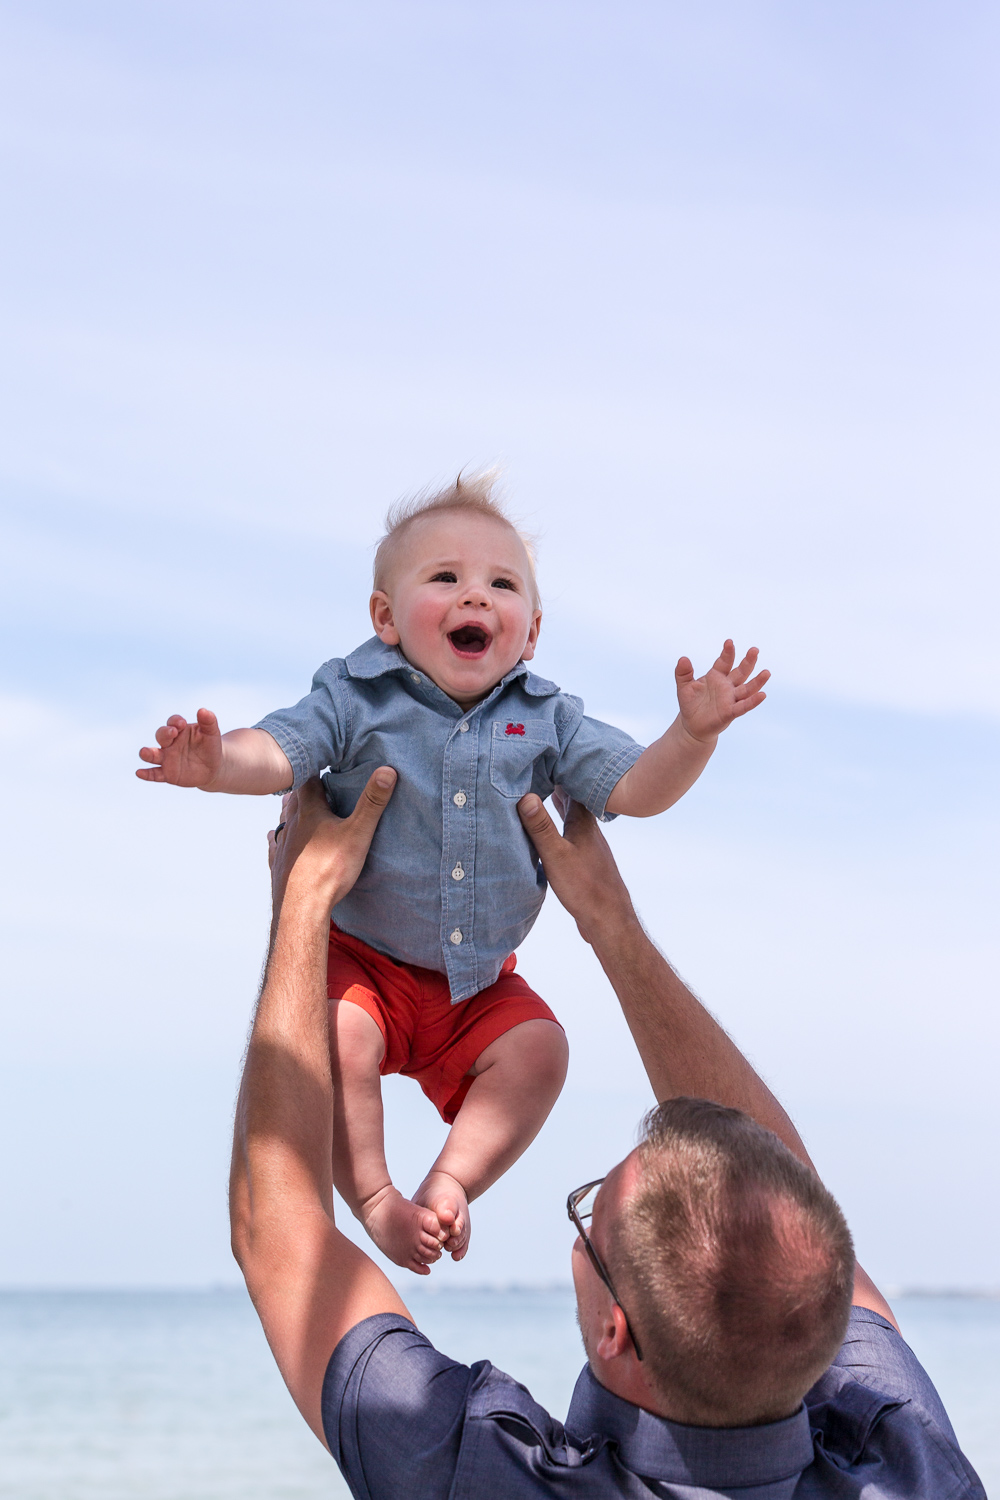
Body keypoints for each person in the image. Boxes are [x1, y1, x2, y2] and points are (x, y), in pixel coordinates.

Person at [229, 771, 985, 1498]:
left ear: (615, 1333)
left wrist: (300, 908)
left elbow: (277, 1231)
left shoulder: (479, 1479)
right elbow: (776, 1198)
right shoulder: (907, 1464)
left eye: (590, 1215)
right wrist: (611, 924)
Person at [140, 473, 768, 1274]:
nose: (475, 596)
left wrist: (692, 737)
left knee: (541, 1050)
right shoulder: (354, 695)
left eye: (500, 585)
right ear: (386, 618)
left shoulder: (549, 717)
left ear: (531, 632)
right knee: (335, 1038)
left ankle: (447, 1185)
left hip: (477, 982)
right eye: (445, 579)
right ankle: (373, 1197)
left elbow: (635, 790)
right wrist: (216, 761)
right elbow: (281, 751)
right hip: (359, 961)